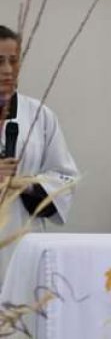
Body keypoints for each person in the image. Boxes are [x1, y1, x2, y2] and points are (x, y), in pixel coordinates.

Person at [0, 25, 78, 278]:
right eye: (0, 61)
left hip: (22, 244)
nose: (8, 71)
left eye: (14, 61)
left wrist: (27, 185)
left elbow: (64, 177)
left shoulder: (40, 116)